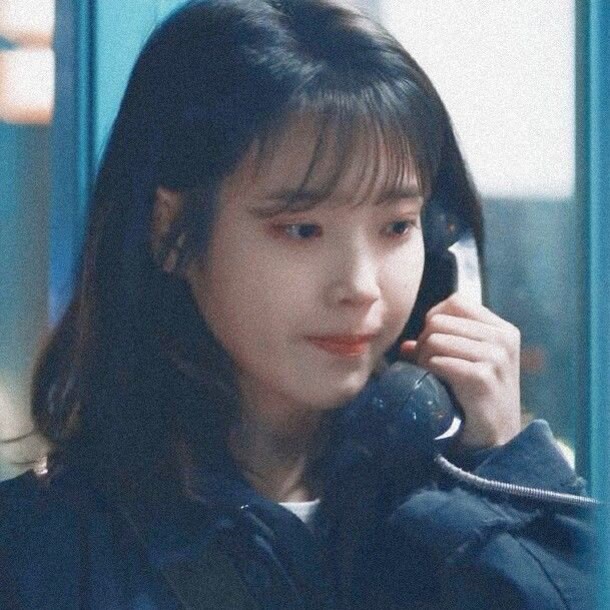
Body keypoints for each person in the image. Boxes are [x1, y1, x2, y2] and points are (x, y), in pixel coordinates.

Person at [0, 0, 595, 608]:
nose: (360, 285)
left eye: (396, 226)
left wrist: (500, 473)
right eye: (301, 229)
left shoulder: (457, 517)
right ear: (172, 232)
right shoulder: (45, 550)